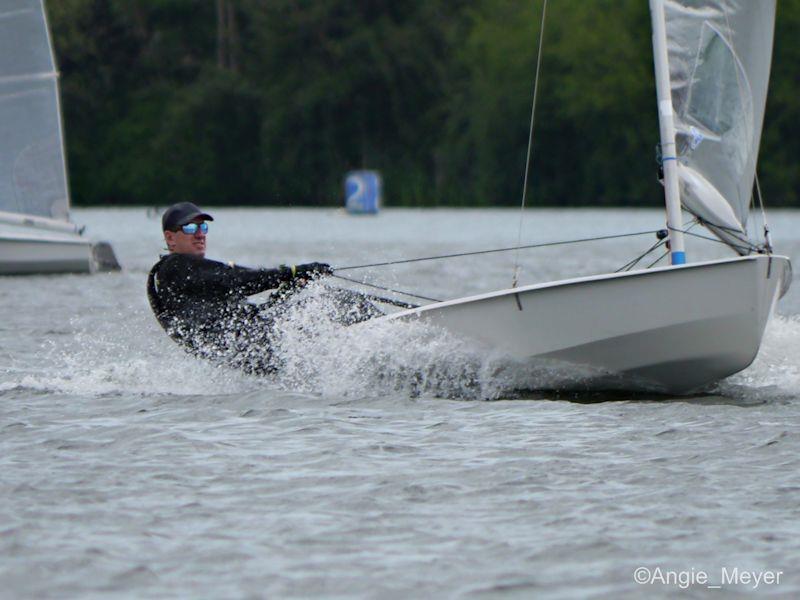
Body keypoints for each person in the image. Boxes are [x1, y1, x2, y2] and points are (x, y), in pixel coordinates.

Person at [147, 202, 379, 374]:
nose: (199, 235)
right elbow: (238, 279)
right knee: (336, 301)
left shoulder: (195, 275)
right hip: (253, 348)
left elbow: (243, 284)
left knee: (313, 308)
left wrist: (289, 286)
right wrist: (293, 272)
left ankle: (363, 355)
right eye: (189, 228)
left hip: (254, 348)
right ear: (170, 238)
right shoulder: (175, 268)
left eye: (203, 228)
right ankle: (382, 339)